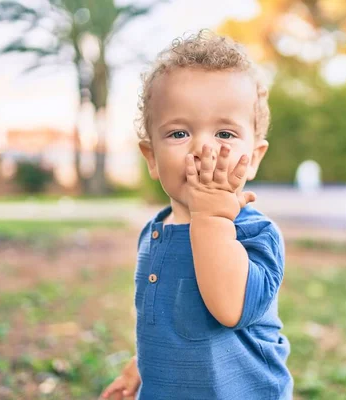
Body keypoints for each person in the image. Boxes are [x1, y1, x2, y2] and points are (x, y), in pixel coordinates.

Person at [100, 30, 293, 400]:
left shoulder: (256, 234)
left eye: (224, 132)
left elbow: (228, 308)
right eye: (178, 133)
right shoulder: (154, 232)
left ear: (253, 158)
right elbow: (166, 324)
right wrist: (140, 365)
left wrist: (211, 214)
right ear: (152, 158)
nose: (204, 147)